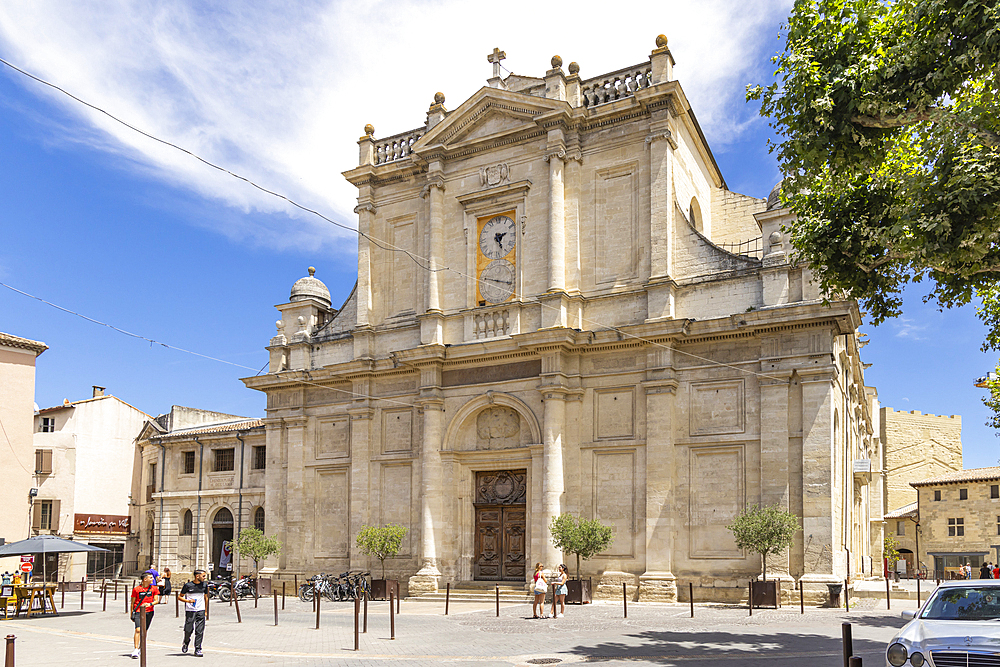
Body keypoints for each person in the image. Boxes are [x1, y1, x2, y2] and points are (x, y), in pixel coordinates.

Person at [178, 569, 208, 657]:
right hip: (190, 610)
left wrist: (205, 610)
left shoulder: (204, 585)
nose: (205, 577)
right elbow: (180, 597)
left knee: (199, 630)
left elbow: (206, 597)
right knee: (188, 629)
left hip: (200, 610)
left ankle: (198, 649)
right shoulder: (188, 585)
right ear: (197, 576)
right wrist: (188, 600)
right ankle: (186, 642)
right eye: (203, 576)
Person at [130, 572, 159, 659]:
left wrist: (150, 604)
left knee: (144, 630)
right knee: (138, 630)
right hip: (139, 611)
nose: (152, 579)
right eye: (151, 577)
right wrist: (131, 613)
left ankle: (140, 647)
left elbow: (156, 601)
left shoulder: (154, 588)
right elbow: (132, 602)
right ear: (145, 579)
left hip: (149, 612)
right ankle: (135, 649)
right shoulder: (136, 589)